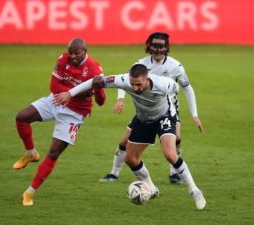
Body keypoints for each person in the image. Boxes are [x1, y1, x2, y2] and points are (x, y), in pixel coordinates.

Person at [54, 64, 206, 210]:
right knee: (130, 159)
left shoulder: (163, 84)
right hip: (143, 119)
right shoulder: (124, 80)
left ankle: (194, 190)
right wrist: (70, 93)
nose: (135, 88)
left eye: (139, 84)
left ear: (148, 79)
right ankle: (151, 188)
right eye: (132, 84)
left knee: (170, 155)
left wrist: (182, 114)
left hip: (165, 116)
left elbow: (177, 89)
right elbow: (96, 81)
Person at [99, 32, 203, 184]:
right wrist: (120, 99)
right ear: (149, 46)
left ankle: (174, 173)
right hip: (144, 109)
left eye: (161, 46)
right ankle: (113, 174)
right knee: (124, 142)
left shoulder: (176, 66)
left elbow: (187, 88)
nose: (158, 50)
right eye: (155, 46)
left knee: (176, 140)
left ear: (166, 47)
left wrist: (194, 114)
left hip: (169, 109)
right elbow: (124, 80)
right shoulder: (141, 64)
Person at [13, 38, 106, 206]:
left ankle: (29, 193)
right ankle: (31, 154)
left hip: (75, 113)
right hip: (56, 101)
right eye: (70, 52)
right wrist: (75, 93)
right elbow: (54, 86)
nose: (72, 56)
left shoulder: (94, 69)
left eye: (76, 53)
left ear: (85, 51)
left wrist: (98, 88)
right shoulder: (63, 58)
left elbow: (101, 101)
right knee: (21, 117)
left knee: (54, 153)